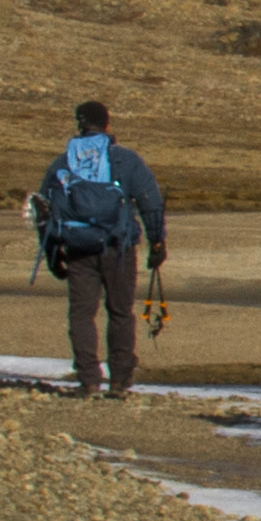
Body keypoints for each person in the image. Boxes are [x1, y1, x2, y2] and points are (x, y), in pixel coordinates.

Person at [31, 97, 169, 396]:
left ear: (80, 124)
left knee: (81, 314)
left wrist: (52, 253)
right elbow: (151, 201)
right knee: (120, 311)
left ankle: (89, 380)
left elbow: (43, 209)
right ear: (107, 124)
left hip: (78, 249)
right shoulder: (125, 159)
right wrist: (157, 242)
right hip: (118, 248)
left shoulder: (62, 162)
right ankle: (119, 381)